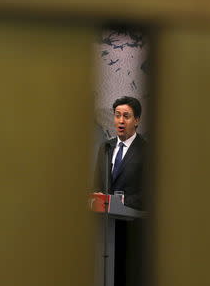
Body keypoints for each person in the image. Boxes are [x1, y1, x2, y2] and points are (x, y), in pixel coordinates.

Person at [94, 96, 147, 286]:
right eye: (117, 116)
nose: (121, 121)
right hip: (105, 233)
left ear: (137, 120)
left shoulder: (147, 151)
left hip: (133, 233)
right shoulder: (106, 147)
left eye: (126, 116)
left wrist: (123, 201)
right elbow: (97, 186)